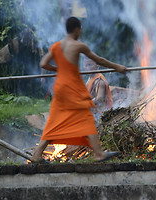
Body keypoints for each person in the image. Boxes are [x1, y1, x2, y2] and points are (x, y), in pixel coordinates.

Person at [30, 17, 127, 163]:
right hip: (72, 87)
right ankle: (99, 154)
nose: (80, 32)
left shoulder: (57, 46)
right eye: (80, 29)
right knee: (86, 117)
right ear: (77, 29)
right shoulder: (78, 46)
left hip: (60, 87)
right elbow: (99, 60)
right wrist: (118, 67)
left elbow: (43, 63)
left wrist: (58, 69)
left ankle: (37, 154)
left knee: (54, 120)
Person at [84, 58, 114, 124]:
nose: (88, 67)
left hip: (102, 116)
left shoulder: (99, 81)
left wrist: (84, 104)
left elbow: (99, 99)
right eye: (86, 65)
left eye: (90, 65)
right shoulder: (90, 79)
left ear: (97, 65)